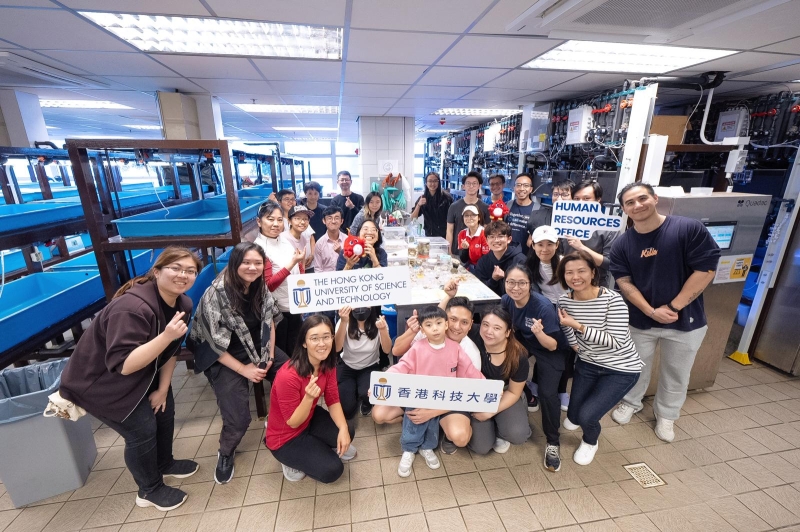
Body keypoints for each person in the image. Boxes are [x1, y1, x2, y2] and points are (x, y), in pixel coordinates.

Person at [59, 247, 202, 512]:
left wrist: (163, 388)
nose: (183, 275)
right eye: (175, 268)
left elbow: (171, 351)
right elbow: (124, 365)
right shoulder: (132, 308)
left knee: (164, 410)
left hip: (148, 372)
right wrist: (166, 336)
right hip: (101, 383)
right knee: (141, 430)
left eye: (190, 271)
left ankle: (164, 463)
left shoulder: (182, 303)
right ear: (157, 271)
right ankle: (149, 489)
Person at [609, 183, 719, 442]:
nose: (637, 205)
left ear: (655, 198)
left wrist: (672, 307)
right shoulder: (623, 244)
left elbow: (706, 270)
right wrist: (650, 311)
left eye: (642, 198)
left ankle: (667, 415)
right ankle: (630, 402)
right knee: (635, 366)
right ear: (624, 209)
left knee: (677, 372)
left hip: (686, 321)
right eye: (630, 202)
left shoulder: (687, 229)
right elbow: (624, 282)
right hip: (639, 320)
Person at [188, 242, 288, 484]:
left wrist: (270, 356)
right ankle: (225, 452)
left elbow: (270, 321)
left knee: (292, 375)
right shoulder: (216, 293)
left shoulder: (259, 286)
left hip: (257, 346)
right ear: (235, 263)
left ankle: (288, 425)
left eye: (257, 263)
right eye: (246, 262)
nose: (252, 268)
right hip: (222, 356)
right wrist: (245, 370)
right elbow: (212, 343)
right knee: (238, 417)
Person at [554, 251, 642, 465]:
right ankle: (577, 418)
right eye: (569, 273)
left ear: (593, 272)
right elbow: (566, 328)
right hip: (587, 363)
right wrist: (576, 345)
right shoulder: (565, 300)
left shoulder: (613, 300)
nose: (575, 277)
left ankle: (590, 441)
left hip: (621, 368)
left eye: (581, 271)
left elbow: (616, 341)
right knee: (573, 414)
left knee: (587, 416)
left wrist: (578, 326)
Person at [386, 306, 484, 477]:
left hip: (441, 398)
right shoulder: (417, 347)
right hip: (418, 394)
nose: (435, 328)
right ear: (422, 330)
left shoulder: (455, 348)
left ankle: (427, 448)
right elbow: (401, 366)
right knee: (414, 421)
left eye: (439, 323)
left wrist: (486, 387)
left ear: (446, 325)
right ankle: (408, 450)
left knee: (432, 425)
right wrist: (381, 384)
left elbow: (470, 371)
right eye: (429, 325)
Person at [266, 315, 357, 483]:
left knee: (348, 431)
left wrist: (343, 429)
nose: (322, 344)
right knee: (333, 470)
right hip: (285, 437)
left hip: (309, 418)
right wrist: (308, 398)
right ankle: (288, 461)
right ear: (304, 342)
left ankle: (317, 447)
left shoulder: (326, 363)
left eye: (326, 337)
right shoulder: (288, 376)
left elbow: (333, 399)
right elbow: (293, 422)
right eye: (314, 338)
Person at [501, 264, 572, 472]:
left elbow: (554, 344)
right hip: (526, 341)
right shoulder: (506, 300)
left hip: (551, 348)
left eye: (521, 283)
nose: (515, 288)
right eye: (510, 282)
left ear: (530, 284)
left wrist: (539, 333)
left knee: (548, 394)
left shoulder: (542, 306)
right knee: (506, 364)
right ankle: (523, 396)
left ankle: (553, 442)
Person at [468, 307, 532, 455]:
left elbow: (513, 392)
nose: (489, 331)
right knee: (481, 447)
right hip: (478, 394)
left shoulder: (518, 355)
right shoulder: (474, 334)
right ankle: (494, 427)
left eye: (497, 328)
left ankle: (503, 422)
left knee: (517, 435)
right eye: (485, 324)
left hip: (505, 392)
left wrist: (490, 412)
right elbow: (449, 321)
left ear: (508, 332)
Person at [525, 225, 570, 412]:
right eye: (540, 244)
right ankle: (535, 383)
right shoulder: (529, 266)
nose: (545, 249)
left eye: (550, 244)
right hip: (546, 310)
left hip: (569, 310)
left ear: (557, 244)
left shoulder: (565, 263)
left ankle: (561, 390)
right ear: (532, 245)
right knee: (545, 349)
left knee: (566, 351)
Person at [254, 200, 305, 359]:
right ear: (259, 222)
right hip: (279, 311)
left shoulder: (283, 241)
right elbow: (268, 285)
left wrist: (300, 267)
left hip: (295, 304)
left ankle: (296, 378)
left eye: (279, 219)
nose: (276, 224)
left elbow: (297, 268)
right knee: (283, 350)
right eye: (270, 219)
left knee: (296, 345)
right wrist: (292, 264)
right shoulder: (259, 249)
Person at [335, 306, 392, 419]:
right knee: (347, 409)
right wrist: (343, 322)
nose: (361, 308)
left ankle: (364, 399)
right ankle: (354, 390)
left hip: (369, 366)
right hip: (347, 366)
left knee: (368, 395)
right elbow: (337, 348)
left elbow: (386, 350)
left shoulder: (379, 322)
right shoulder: (344, 322)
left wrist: (383, 330)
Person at [564, 180, 619, 287]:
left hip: (595, 285)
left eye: (586, 199)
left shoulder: (609, 227)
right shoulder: (564, 223)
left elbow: (610, 264)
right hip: (567, 283)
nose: (580, 203)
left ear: (598, 200)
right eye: (576, 199)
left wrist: (581, 247)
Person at [474, 220, 526, 296]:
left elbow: (525, 290)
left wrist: (507, 278)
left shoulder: (520, 260)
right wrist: (493, 280)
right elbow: (480, 289)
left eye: (500, 236)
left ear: (509, 239)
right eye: (491, 237)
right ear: (486, 240)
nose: (496, 240)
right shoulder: (483, 262)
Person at [446, 171, 490, 254]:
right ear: (463, 186)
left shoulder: (485, 208)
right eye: (468, 183)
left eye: (474, 183)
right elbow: (449, 231)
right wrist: (449, 252)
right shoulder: (454, 206)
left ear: (479, 186)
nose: (471, 186)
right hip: (457, 252)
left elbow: (487, 232)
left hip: (478, 255)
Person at [526, 180, 574, 249]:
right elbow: (529, 241)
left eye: (565, 195)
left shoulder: (580, 221)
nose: (559, 199)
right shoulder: (537, 216)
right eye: (555, 194)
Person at [411, 172, 452, 238]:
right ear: (426, 183)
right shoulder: (422, 198)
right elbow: (413, 218)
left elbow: (452, 218)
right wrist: (419, 205)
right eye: (430, 181)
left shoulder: (446, 198)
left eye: (435, 181)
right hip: (428, 235)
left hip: (444, 235)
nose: (432, 184)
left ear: (439, 182)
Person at [506, 173, 535, 254]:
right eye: (518, 185)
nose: (521, 189)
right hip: (506, 254)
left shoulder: (537, 210)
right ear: (514, 188)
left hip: (526, 256)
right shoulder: (507, 205)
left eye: (526, 185)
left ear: (531, 189)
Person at [282, 205, 316, 273]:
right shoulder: (283, 239)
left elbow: (302, 265)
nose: (303, 222)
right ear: (289, 221)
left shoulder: (303, 239)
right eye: (297, 218)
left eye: (305, 219)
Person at [313, 205, 346, 273]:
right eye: (329, 218)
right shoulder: (319, 244)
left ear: (342, 221)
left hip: (345, 279)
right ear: (324, 221)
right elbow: (318, 269)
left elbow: (353, 263)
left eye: (337, 218)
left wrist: (341, 252)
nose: (333, 221)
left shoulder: (347, 240)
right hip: (327, 281)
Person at [457, 205, 488, 271]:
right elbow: (463, 260)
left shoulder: (485, 234)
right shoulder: (462, 234)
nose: (469, 218)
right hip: (469, 266)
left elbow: (486, 259)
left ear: (479, 217)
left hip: (483, 269)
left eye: (473, 215)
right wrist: (466, 249)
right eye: (466, 215)